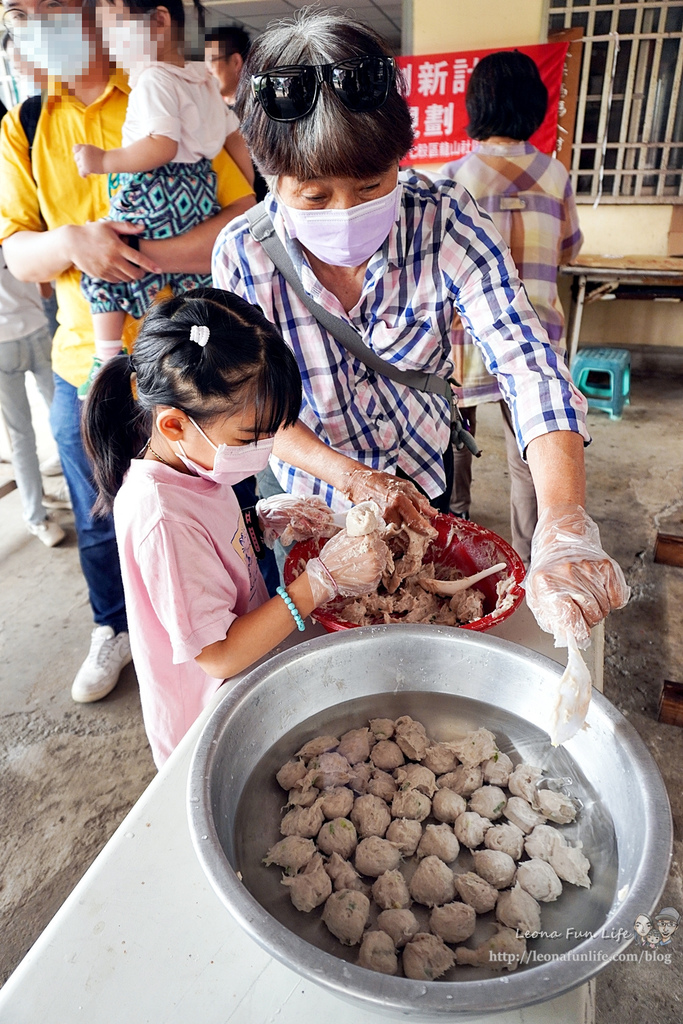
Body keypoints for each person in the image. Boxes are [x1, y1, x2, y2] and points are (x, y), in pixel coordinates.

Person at [212, 8, 629, 651]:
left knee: (424, 618)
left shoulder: (444, 219)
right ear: (269, 174)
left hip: (424, 481)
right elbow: (251, 404)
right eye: (315, 197)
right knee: (327, 643)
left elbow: (528, 364)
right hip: (313, 503)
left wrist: (564, 519)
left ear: (400, 161)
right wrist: (351, 478)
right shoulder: (243, 254)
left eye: (371, 185)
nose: (345, 213)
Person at [0, 0, 255, 703]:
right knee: (100, 515)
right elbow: (18, 250)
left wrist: (141, 255)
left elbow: (241, 215)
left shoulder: (156, 87)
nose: (33, 25)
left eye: (49, 10)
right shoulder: (27, 122)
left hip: (190, 364)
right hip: (89, 363)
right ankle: (112, 627)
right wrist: (76, 245)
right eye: (20, 13)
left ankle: (239, 632)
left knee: (220, 505)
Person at [81, 288, 389, 766]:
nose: (264, 449)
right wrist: (319, 582)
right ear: (174, 425)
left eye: (271, 433)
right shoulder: (161, 517)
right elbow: (220, 654)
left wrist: (258, 521)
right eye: (250, 437)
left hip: (247, 679)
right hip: (210, 722)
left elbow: (210, 549)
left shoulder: (193, 467)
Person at [439, 50, 583, 564]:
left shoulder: (451, 178)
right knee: (532, 453)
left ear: (475, 104)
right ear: (535, 105)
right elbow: (569, 248)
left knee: (455, 444)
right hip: (536, 342)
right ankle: (530, 559)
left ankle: (451, 539)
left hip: (462, 340)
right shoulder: (556, 175)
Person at [73, 0, 255, 395]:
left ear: (158, 21)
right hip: (198, 194)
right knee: (186, 283)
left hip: (159, 188)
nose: (108, 45)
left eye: (113, 31)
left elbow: (162, 145)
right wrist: (248, 183)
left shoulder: (153, 79)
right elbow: (234, 137)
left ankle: (106, 359)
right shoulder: (201, 79)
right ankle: (186, 356)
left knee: (107, 256)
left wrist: (104, 159)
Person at [0, 245, 66, 546]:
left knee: (21, 436)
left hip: (3, 344)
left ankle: (37, 518)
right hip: (37, 329)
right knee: (64, 421)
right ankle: (78, 495)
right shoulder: (14, 231)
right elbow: (46, 286)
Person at [204, 23, 267, 202]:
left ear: (236, 62)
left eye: (210, 60)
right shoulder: (216, 112)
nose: (205, 71)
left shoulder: (261, 112)